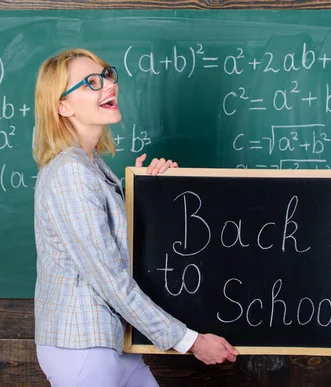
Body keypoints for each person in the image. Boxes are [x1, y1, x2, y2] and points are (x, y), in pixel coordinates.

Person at [32, 48, 238, 387]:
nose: (108, 86)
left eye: (107, 76)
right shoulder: (70, 172)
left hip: (114, 342)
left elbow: (114, 241)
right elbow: (109, 278)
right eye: (91, 83)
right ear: (62, 106)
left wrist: (148, 193)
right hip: (83, 345)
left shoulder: (90, 166)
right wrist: (191, 341)